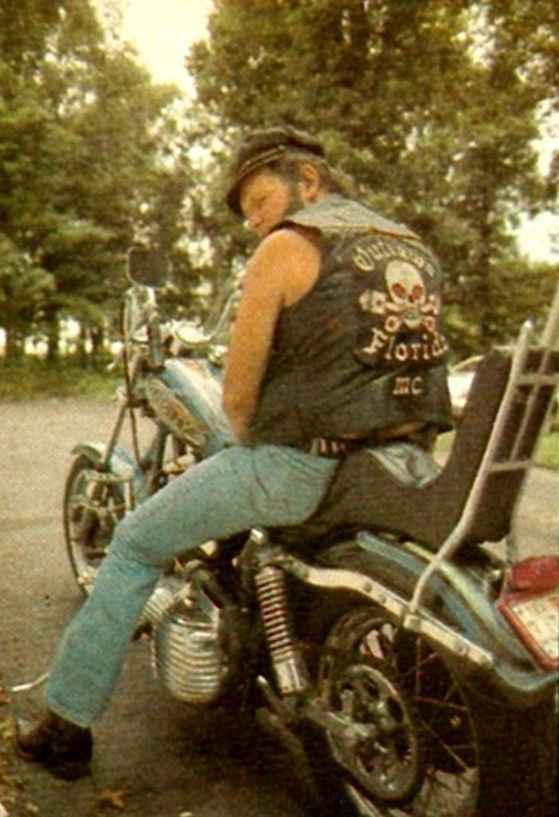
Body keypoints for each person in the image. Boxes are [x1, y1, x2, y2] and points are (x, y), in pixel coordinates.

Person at [15, 125, 452, 779]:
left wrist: (245, 439)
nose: (253, 222)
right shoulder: (409, 245)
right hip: (392, 463)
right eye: (247, 213)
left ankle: (65, 728)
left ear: (307, 182)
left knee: (135, 541)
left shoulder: (288, 246)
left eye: (259, 202)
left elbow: (239, 402)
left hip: (302, 466)